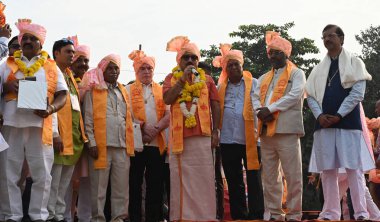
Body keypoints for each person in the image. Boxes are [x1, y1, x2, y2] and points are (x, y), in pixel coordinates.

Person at [0, 19, 68, 221]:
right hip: (11, 124)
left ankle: (39, 215)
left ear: (41, 44)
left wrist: (50, 108)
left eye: (33, 38)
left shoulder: (51, 67)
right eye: (24, 38)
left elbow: (62, 94)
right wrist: (7, 87)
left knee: (43, 174)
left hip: (41, 125)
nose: (28, 41)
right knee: (8, 173)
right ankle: (11, 215)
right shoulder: (6, 63)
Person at [306, 24, 373, 220]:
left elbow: (357, 93)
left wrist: (338, 114)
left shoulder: (355, 62)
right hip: (323, 125)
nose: (327, 39)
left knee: (354, 169)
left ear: (341, 39)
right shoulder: (318, 68)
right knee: (327, 171)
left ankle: (361, 213)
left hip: (347, 124)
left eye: (330, 36)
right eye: (324, 37)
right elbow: (310, 95)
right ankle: (331, 213)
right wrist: (319, 116)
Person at [163, 36, 220, 221]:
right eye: (185, 58)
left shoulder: (208, 79)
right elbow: (167, 99)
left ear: (198, 60)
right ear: (178, 61)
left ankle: (205, 217)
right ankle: (183, 217)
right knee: (180, 178)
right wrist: (181, 81)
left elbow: (216, 105)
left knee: (203, 178)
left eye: (193, 58)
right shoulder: (171, 78)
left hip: (203, 136)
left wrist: (215, 131)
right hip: (179, 138)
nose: (190, 61)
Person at [251, 31, 305, 221]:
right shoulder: (264, 77)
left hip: (288, 130)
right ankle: (275, 213)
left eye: (277, 53)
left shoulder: (297, 74)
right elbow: (255, 98)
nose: (273, 56)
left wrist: (270, 109)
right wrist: (260, 111)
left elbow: (295, 95)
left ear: (286, 54)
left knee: (292, 174)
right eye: (270, 53)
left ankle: (294, 214)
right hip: (266, 131)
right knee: (270, 176)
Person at [213, 43, 264, 220]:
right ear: (225, 68)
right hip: (227, 139)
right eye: (230, 65)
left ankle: (257, 215)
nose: (234, 67)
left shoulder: (254, 83)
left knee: (254, 178)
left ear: (242, 66)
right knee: (233, 180)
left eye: (237, 64)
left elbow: (258, 105)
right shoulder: (221, 88)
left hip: (251, 138)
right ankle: (239, 216)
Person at [82, 54, 134, 222]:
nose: (113, 71)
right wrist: (91, 142)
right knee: (98, 189)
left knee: (121, 188)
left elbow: (128, 118)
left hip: (122, 146)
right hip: (100, 146)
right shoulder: (94, 90)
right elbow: (88, 118)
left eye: (116, 68)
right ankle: (98, 218)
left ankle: (118, 218)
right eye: (109, 68)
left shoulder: (123, 90)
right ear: (102, 70)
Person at [47, 38, 88, 222]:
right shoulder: (51, 72)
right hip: (58, 137)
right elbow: (50, 105)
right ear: (56, 53)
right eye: (68, 52)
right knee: (52, 183)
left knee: (64, 185)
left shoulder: (70, 75)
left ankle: (58, 215)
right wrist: (55, 133)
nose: (72, 55)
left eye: (73, 52)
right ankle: (49, 216)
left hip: (73, 139)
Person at [126, 50, 170, 222]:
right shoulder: (128, 89)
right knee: (134, 184)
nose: (146, 71)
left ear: (153, 70)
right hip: (136, 143)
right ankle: (135, 218)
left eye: (149, 68)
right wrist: (143, 127)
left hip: (156, 143)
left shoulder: (161, 90)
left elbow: (169, 114)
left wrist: (155, 129)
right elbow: (126, 113)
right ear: (136, 72)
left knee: (155, 185)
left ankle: (154, 218)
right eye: (142, 68)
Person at [63, 37, 92, 222]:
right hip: (68, 137)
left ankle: (85, 217)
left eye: (86, 60)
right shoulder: (63, 79)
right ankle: (64, 216)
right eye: (79, 59)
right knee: (64, 181)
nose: (83, 64)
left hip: (87, 140)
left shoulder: (92, 82)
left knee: (87, 180)